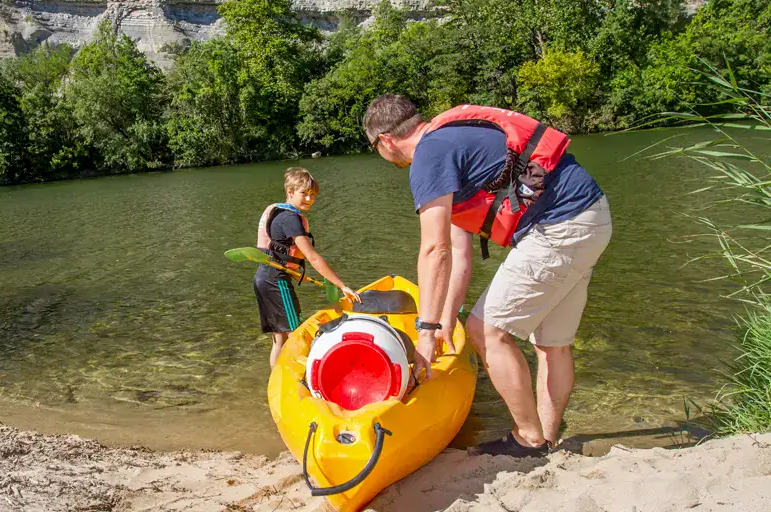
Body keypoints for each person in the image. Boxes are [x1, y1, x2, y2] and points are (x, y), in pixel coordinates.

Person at [362, 96, 613, 457]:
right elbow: (459, 255)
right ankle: (547, 439)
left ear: (385, 140)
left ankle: (528, 438)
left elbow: (435, 251)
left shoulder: (428, 157)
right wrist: (445, 322)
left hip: (559, 227)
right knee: (552, 343)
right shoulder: (451, 137)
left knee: (486, 332)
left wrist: (426, 333)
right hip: (590, 215)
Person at [254, 168, 361, 368]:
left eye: (313, 195)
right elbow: (312, 256)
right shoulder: (290, 219)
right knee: (297, 334)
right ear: (290, 191)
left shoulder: (281, 214)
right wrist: (341, 285)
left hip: (263, 278)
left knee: (280, 337)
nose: (309, 198)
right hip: (276, 280)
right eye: (304, 193)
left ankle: (276, 381)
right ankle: (307, 377)